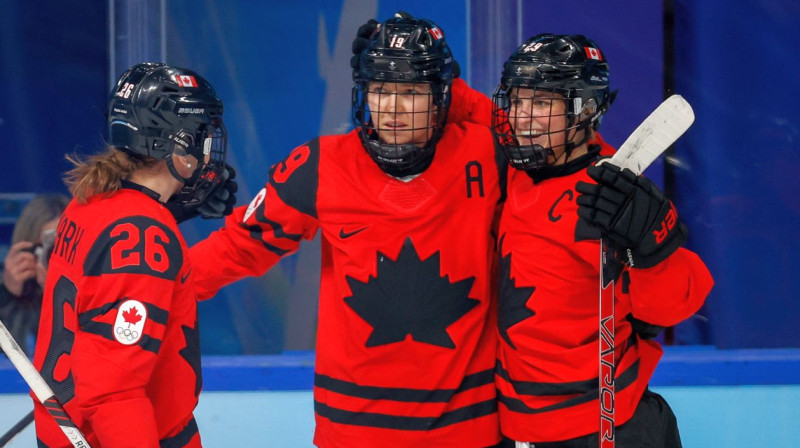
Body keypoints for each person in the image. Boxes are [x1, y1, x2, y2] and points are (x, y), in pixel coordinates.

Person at [190, 13, 506, 448]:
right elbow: (239, 246)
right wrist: (146, 287)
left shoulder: (485, 154)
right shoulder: (322, 165)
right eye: (380, 89)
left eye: (411, 91)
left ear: (441, 98)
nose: (392, 108)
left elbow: (552, 148)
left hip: (465, 429)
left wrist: (457, 88)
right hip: (354, 429)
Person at [489, 34, 714, 447]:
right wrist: (436, 69)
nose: (522, 118)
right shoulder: (512, 173)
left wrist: (653, 250)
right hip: (519, 425)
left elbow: (672, 307)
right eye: (517, 101)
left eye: (541, 103)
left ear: (586, 110)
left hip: (606, 424)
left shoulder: (609, 195)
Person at [32, 62, 234, 448]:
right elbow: (114, 392)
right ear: (180, 142)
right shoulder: (142, 236)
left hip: (65, 424)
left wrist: (168, 212)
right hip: (119, 435)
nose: (208, 151)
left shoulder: (91, 200)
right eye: (202, 135)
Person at [0, 193, 69, 356]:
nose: (52, 258)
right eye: (46, 248)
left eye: (59, 248)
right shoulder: (12, 294)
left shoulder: (94, 290)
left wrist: (60, 294)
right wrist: (9, 296)